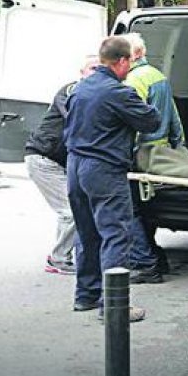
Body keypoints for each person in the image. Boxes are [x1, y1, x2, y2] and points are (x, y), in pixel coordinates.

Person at [65, 36, 161, 322]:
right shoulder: (118, 92)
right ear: (121, 61)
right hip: (103, 169)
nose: (130, 68)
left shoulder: (80, 88)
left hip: (75, 166)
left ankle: (86, 295)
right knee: (116, 234)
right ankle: (114, 306)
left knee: (87, 232)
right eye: (129, 62)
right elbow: (151, 120)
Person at [25, 57, 98, 275]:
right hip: (43, 158)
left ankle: (63, 256)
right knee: (72, 211)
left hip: (54, 160)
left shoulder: (91, 94)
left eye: (101, 68)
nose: (97, 72)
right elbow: (78, 117)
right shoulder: (71, 91)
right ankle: (58, 258)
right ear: (82, 72)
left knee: (74, 207)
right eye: (93, 68)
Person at [122, 32, 185, 282]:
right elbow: (174, 116)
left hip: (140, 153)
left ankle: (144, 262)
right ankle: (156, 257)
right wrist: (179, 145)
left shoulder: (133, 80)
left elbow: (132, 120)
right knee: (145, 210)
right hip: (159, 154)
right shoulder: (158, 76)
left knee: (130, 210)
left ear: (135, 54)